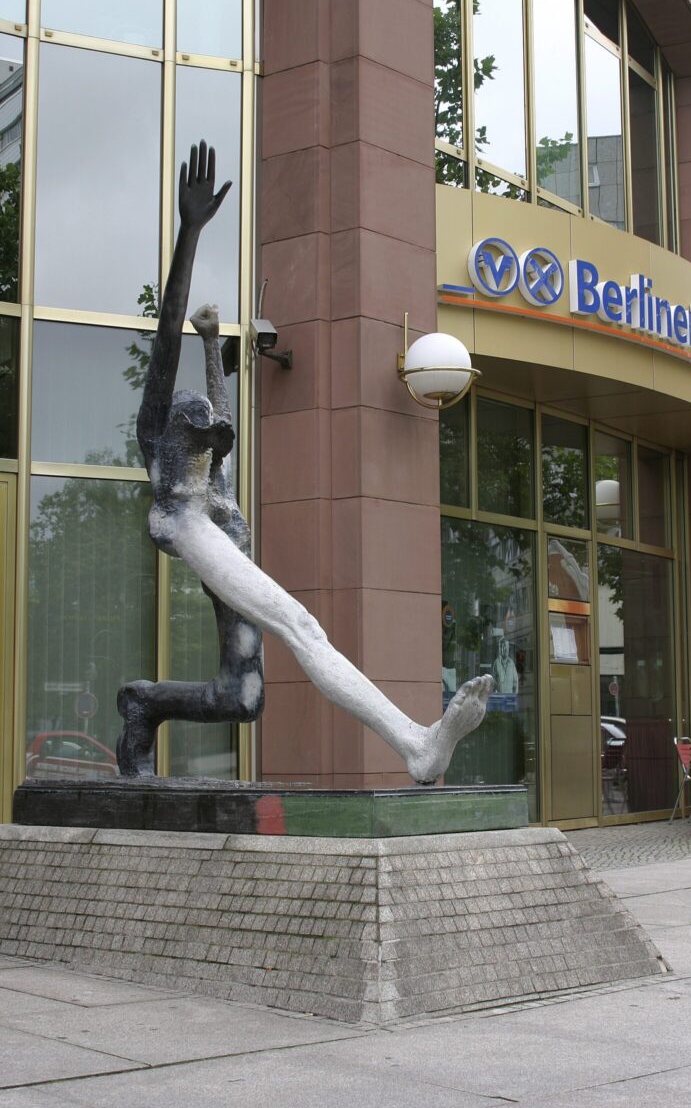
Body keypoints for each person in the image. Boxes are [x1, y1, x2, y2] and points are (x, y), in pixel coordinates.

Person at [116, 143, 492, 783]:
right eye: (198, 431)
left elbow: (221, 419)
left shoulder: (213, 464)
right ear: (173, 435)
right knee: (302, 624)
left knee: (243, 698)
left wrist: (215, 347)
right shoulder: (166, 452)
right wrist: (189, 232)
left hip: (225, 535)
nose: (212, 438)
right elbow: (166, 331)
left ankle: (142, 705)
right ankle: (414, 743)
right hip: (194, 533)